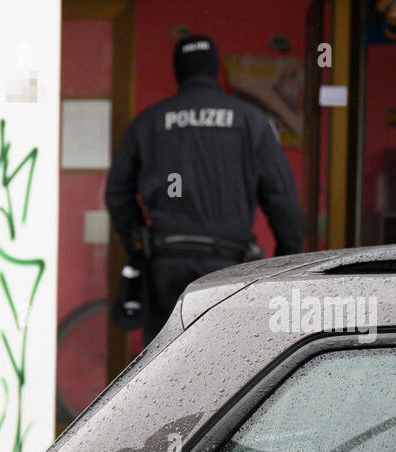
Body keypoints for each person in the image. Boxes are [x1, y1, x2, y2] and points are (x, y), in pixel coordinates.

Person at [106, 34, 303, 343]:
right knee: (226, 363)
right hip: (229, 266)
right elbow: (282, 198)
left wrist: (138, 246)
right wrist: (288, 262)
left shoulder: (149, 122)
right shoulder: (250, 121)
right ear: (214, 69)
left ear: (178, 72)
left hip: (165, 263)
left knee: (164, 363)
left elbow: (117, 193)